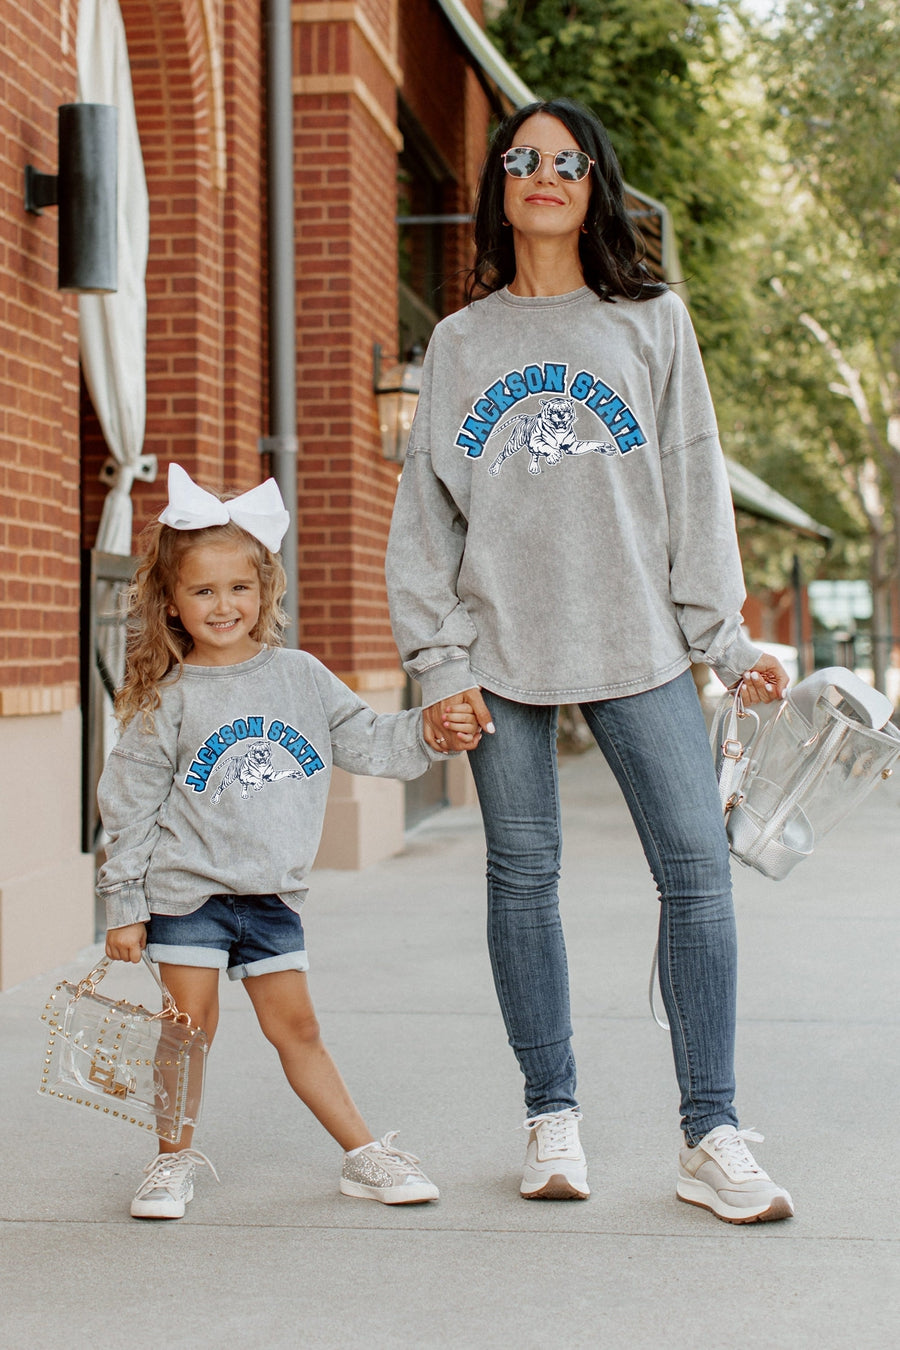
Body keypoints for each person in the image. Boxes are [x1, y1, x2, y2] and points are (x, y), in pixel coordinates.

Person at [385, 98, 795, 1224]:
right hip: (499, 655)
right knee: (523, 880)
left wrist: (723, 639)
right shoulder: (461, 343)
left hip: (639, 643)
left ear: (595, 186)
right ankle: (550, 1114)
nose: (545, 174)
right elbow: (425, 522)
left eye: (568, 162)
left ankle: (710, 1133)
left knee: (697, 875)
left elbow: (693, 484)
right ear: (499, 185)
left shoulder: (651, 321)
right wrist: (439, 661)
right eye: (523, 158)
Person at [98, 462, 479, 1219]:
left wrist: (432, 730)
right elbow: (130, 806)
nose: (223, 605)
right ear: (171, 601)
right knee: (187, 1029)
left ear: (265, 589)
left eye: (239, 587)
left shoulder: (301, 676)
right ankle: (170, 1163)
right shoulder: (170, 699)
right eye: (203, 591)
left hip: (271, 897)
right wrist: (125, 906)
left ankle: (364, 1154)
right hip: (189, 894)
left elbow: (369, 739)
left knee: (297, 1028)